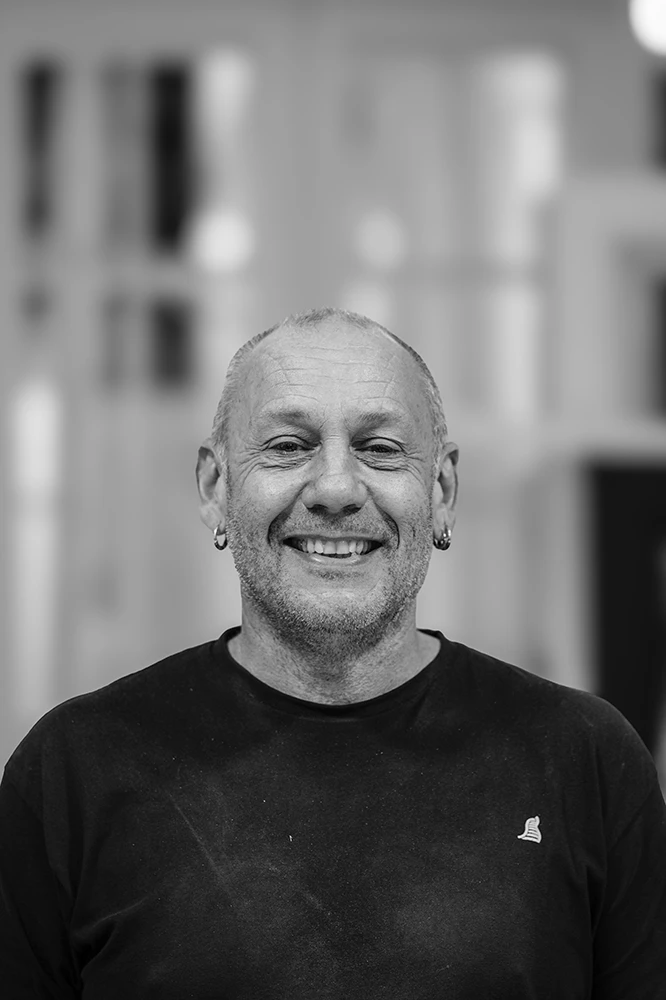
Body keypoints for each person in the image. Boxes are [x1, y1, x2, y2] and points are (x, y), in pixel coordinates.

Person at [1, 306, 664, 999]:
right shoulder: (73, 773)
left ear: (441, 491)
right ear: (215, 488)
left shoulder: (585, 762)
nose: (337, 490)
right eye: (289, 446)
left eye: (381, 448)